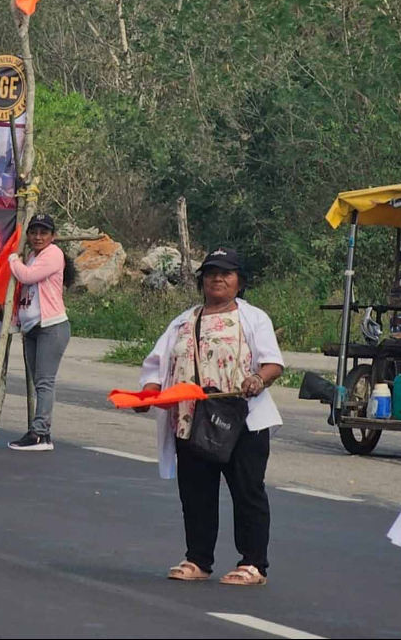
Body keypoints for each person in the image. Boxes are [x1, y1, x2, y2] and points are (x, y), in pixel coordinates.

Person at [138, 247, 285, 586]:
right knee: (196, 492)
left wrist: (257, 379)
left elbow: (272, 363)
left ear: (239, 281)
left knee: (247, 491)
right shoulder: (183, 321)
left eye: (226, 273)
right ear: (201, 280)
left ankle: (253, 564)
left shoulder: (254, 318)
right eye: (211, 273)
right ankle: (198, 560)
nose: (217, 278)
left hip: (241, 419)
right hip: (191, 419)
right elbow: (155, 365)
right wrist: (148, 393)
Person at [7, 214, 73, 451]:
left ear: (52, 236)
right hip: (32, 328)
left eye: (43, 232)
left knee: (44, 382)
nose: (38, 237)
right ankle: (43, 435)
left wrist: (12, 259)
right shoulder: (33, 256)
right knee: (38, 382)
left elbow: (27, 276)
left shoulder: (53, 254)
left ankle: (39, 433)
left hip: (51, 327)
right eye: (34, 232)